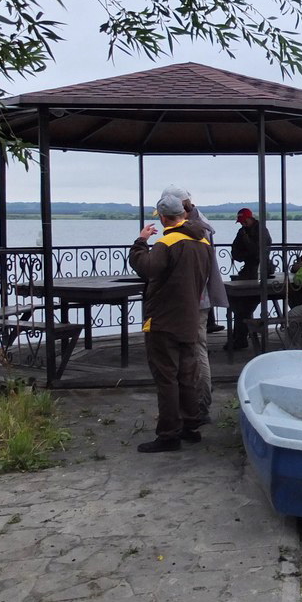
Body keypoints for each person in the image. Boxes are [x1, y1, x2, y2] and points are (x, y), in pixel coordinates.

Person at [129, 193, 212, 452]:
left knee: (166, 377)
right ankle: (191, 426)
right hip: (190, 317)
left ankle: (168, 435)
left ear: (164, 218)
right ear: (184, 214)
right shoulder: (204, 243)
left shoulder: (167, 242)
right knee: (188, 375)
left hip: (164, 319)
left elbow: (146, 268)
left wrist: (141, 242)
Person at [160, 184, 227, 426]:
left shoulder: (195, 228)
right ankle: (193, 405)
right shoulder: (200, 224)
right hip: (197, 298)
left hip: (194, 299)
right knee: (192, 349)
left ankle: (199, 405)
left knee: (196, 351)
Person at [226, 207, 273, 349]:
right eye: (240, 222)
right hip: (248, 270)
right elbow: (235, 251)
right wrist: (245, 254)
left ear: (249, 218)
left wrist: (246, 247)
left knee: (244, 305)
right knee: (238, 303)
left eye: (243, 221)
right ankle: (239, 336)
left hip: (260, 271)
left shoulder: (261, 231)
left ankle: (240, 338)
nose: (242, 224)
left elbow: (258, 252)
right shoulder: (242, 232)